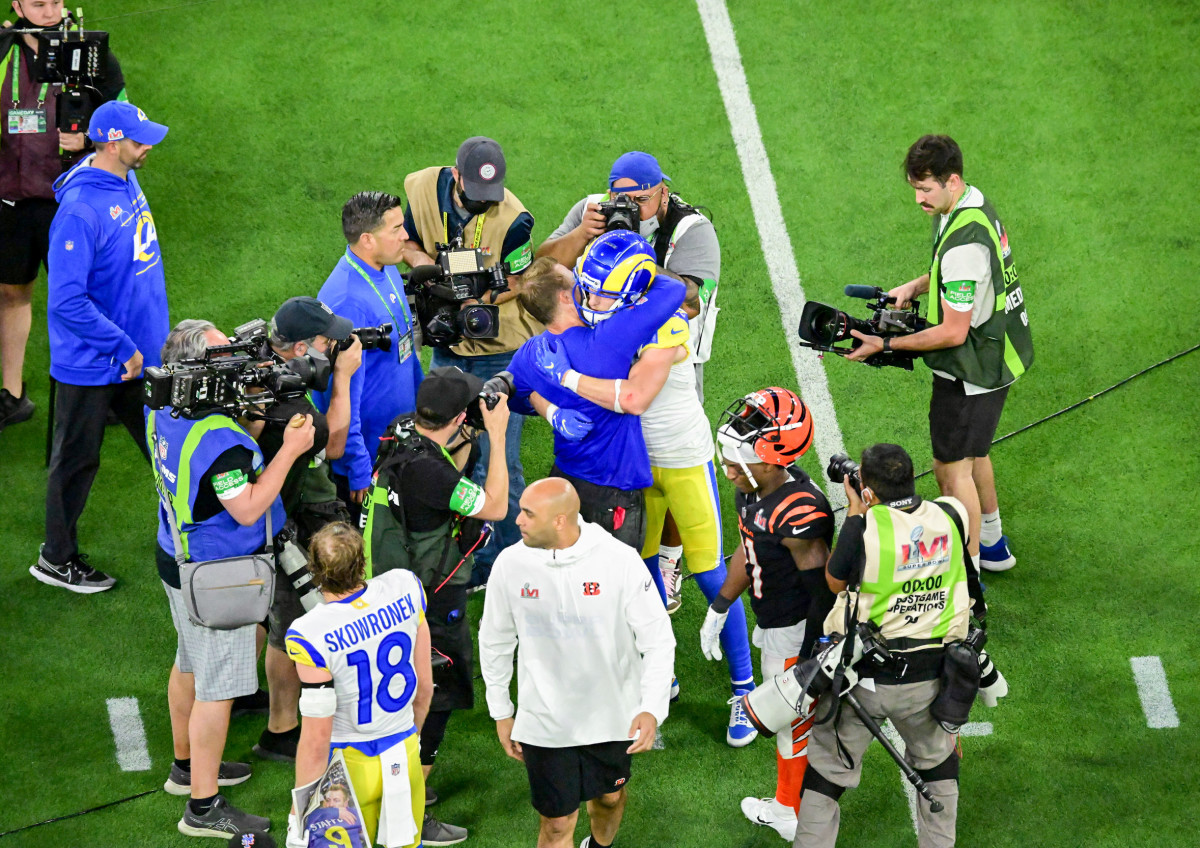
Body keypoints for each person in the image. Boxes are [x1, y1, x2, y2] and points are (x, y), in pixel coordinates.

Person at [531, 268, 757, 747]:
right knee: (643, 569)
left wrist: (568, 377)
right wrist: (551, 403)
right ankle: (662, 673)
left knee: (711, 573)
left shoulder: (663, 321)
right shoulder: (606, 321)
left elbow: (631, 397)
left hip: (683, 457)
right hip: (635, 465)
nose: (594, 296)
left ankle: (745, 688)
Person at [148, 320, 315, 839]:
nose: (237, 362)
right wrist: (290, 450)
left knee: (188, 663)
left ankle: (185, 767)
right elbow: (246, 507)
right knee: (216, 691)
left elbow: (214, 468)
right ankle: (202, 807)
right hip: (218, 574)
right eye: (223, 356)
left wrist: (249, 425)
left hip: (176, 554)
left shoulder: (163, 403)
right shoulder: (221, 443)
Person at [537, 149, 721, 600]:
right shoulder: (592, 211)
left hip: (671, 360)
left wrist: (625, 263)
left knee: (674, 462)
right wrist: (583, 235)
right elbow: (542, 268)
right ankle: (637, 558)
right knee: (635, 472)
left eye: (642, 200)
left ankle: (671, 558)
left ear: (663, 192)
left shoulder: (692, 229)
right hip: (609, 359)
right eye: (626, 200)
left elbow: (690, 300)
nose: (633, 209)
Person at [847, 135, 1033, 574]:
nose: (919, 199)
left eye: (925, 189)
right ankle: (992, 544)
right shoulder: (970, 204)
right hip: (999, 353)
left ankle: (968, 574)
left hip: (974, 369)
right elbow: (953, 273)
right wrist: (916, 286)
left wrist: (885, 344)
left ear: (951, 180)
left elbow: (952, 331)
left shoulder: (964, 245)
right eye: (915, 188)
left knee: (952, 471)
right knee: (975, 454)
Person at [794, 443, 987, 848]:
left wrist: (855, 510)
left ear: (867, 489)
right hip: (931, 678)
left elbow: (834, 582)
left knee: (826, 774)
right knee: (938, 767)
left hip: (864, 681)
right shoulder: (952, 513)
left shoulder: (864, 527)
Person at [359, 365, 512, 845]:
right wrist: (498, 436)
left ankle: (401, 791)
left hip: (391, 588)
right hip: (431, 597)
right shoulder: (431, 474)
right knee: (435, 697)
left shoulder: (402, 433)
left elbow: (446, 469)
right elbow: (495, 506)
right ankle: (409, 807)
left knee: (405, 694)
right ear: (460, 417)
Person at [478, 477, 675, 848]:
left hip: (612, 715)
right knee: (556, 824)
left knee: (609, 798)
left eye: (528, 513)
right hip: (545, 720)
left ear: (559, 521)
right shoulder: (510, 564)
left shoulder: (618, 560)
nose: (517, 520)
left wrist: (651, 707)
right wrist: (501, 710)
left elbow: (658, 639)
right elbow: (495, 639)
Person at [30, 100, 168, 593]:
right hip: (96, 362)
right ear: (111, 143)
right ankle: (55, 558)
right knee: (75, 462)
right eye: (138, 140)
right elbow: (67, 301)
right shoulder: (81, 211)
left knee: (167, 446)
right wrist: (123, 346)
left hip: (138, 356)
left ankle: (196, 535)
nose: (147, 146)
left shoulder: (123, 177)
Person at [399, 137, 539, 587]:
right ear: (456, 175)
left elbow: (521, 279)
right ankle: (462, 544)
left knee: (499, 461)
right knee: (446, 453)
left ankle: (508, 562)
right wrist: (430, 268)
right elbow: (406, 240)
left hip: (500, 349)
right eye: (476, 193)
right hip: (447, 345)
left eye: (491, 194)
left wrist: (474, 300)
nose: (485, 202)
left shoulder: (515, 220)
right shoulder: (422, 188)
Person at [699, 387, 835, 842]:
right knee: (795, 721)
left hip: (795, 628)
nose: (729, 471)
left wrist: (811, 655)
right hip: (775, 620)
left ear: (776, 460)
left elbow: (823, 592)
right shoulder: (756, 488)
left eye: (740, 463)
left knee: (791, 724)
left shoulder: (798, 510)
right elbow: (749, 545)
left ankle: (789, 810)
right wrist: (721, 604)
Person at [507, 235, 686, 553]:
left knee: (563, 569)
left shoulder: (530, 354)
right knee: (616, 578)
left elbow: (512, 395)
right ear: (565, 298)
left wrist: (551, 412)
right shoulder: (609, 338)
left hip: (565, 478)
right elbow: (672, 289)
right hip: (614, 488)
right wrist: (629, 267)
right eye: (578, 281)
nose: (586, 286)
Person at [0, 0, 127, 429]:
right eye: (38, 4)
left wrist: (89, 140)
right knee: (11, 293)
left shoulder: (93, 54)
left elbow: (125, 123)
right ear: (16, 4)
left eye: (56, 1)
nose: (50, 11)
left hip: (74, 203)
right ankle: (12, 395)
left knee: (85, 296)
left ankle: (104, 389)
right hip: (12, 199)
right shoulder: (4, 50)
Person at [249, 296, 363, 764]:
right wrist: (343, 378)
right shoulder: (293, 406)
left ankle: (241, 688)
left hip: (276, 508)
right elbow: (333, 444)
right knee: (289, 620)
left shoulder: (257, 359)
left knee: (261, 613)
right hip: (281, 515)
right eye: (324, 340)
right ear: (299, 348)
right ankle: (280, 730)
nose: (333, 346)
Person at [285, 522, 435, 848]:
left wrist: (301, 810)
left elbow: (316, 737)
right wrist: (410, 737)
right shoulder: (405, 586)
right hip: (404, 749)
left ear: (315, 570)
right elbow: (425, 687)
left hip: (347, 770)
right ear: (361, 561)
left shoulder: (310, 633)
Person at [315, 191, 423, 524]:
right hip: (369, 459)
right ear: (367, 239)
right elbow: (339, 393)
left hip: (400, 439)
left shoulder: (386, 266)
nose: (405, 236)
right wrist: (358, 467)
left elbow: (406, 349)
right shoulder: (347, 303)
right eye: (396, 229)